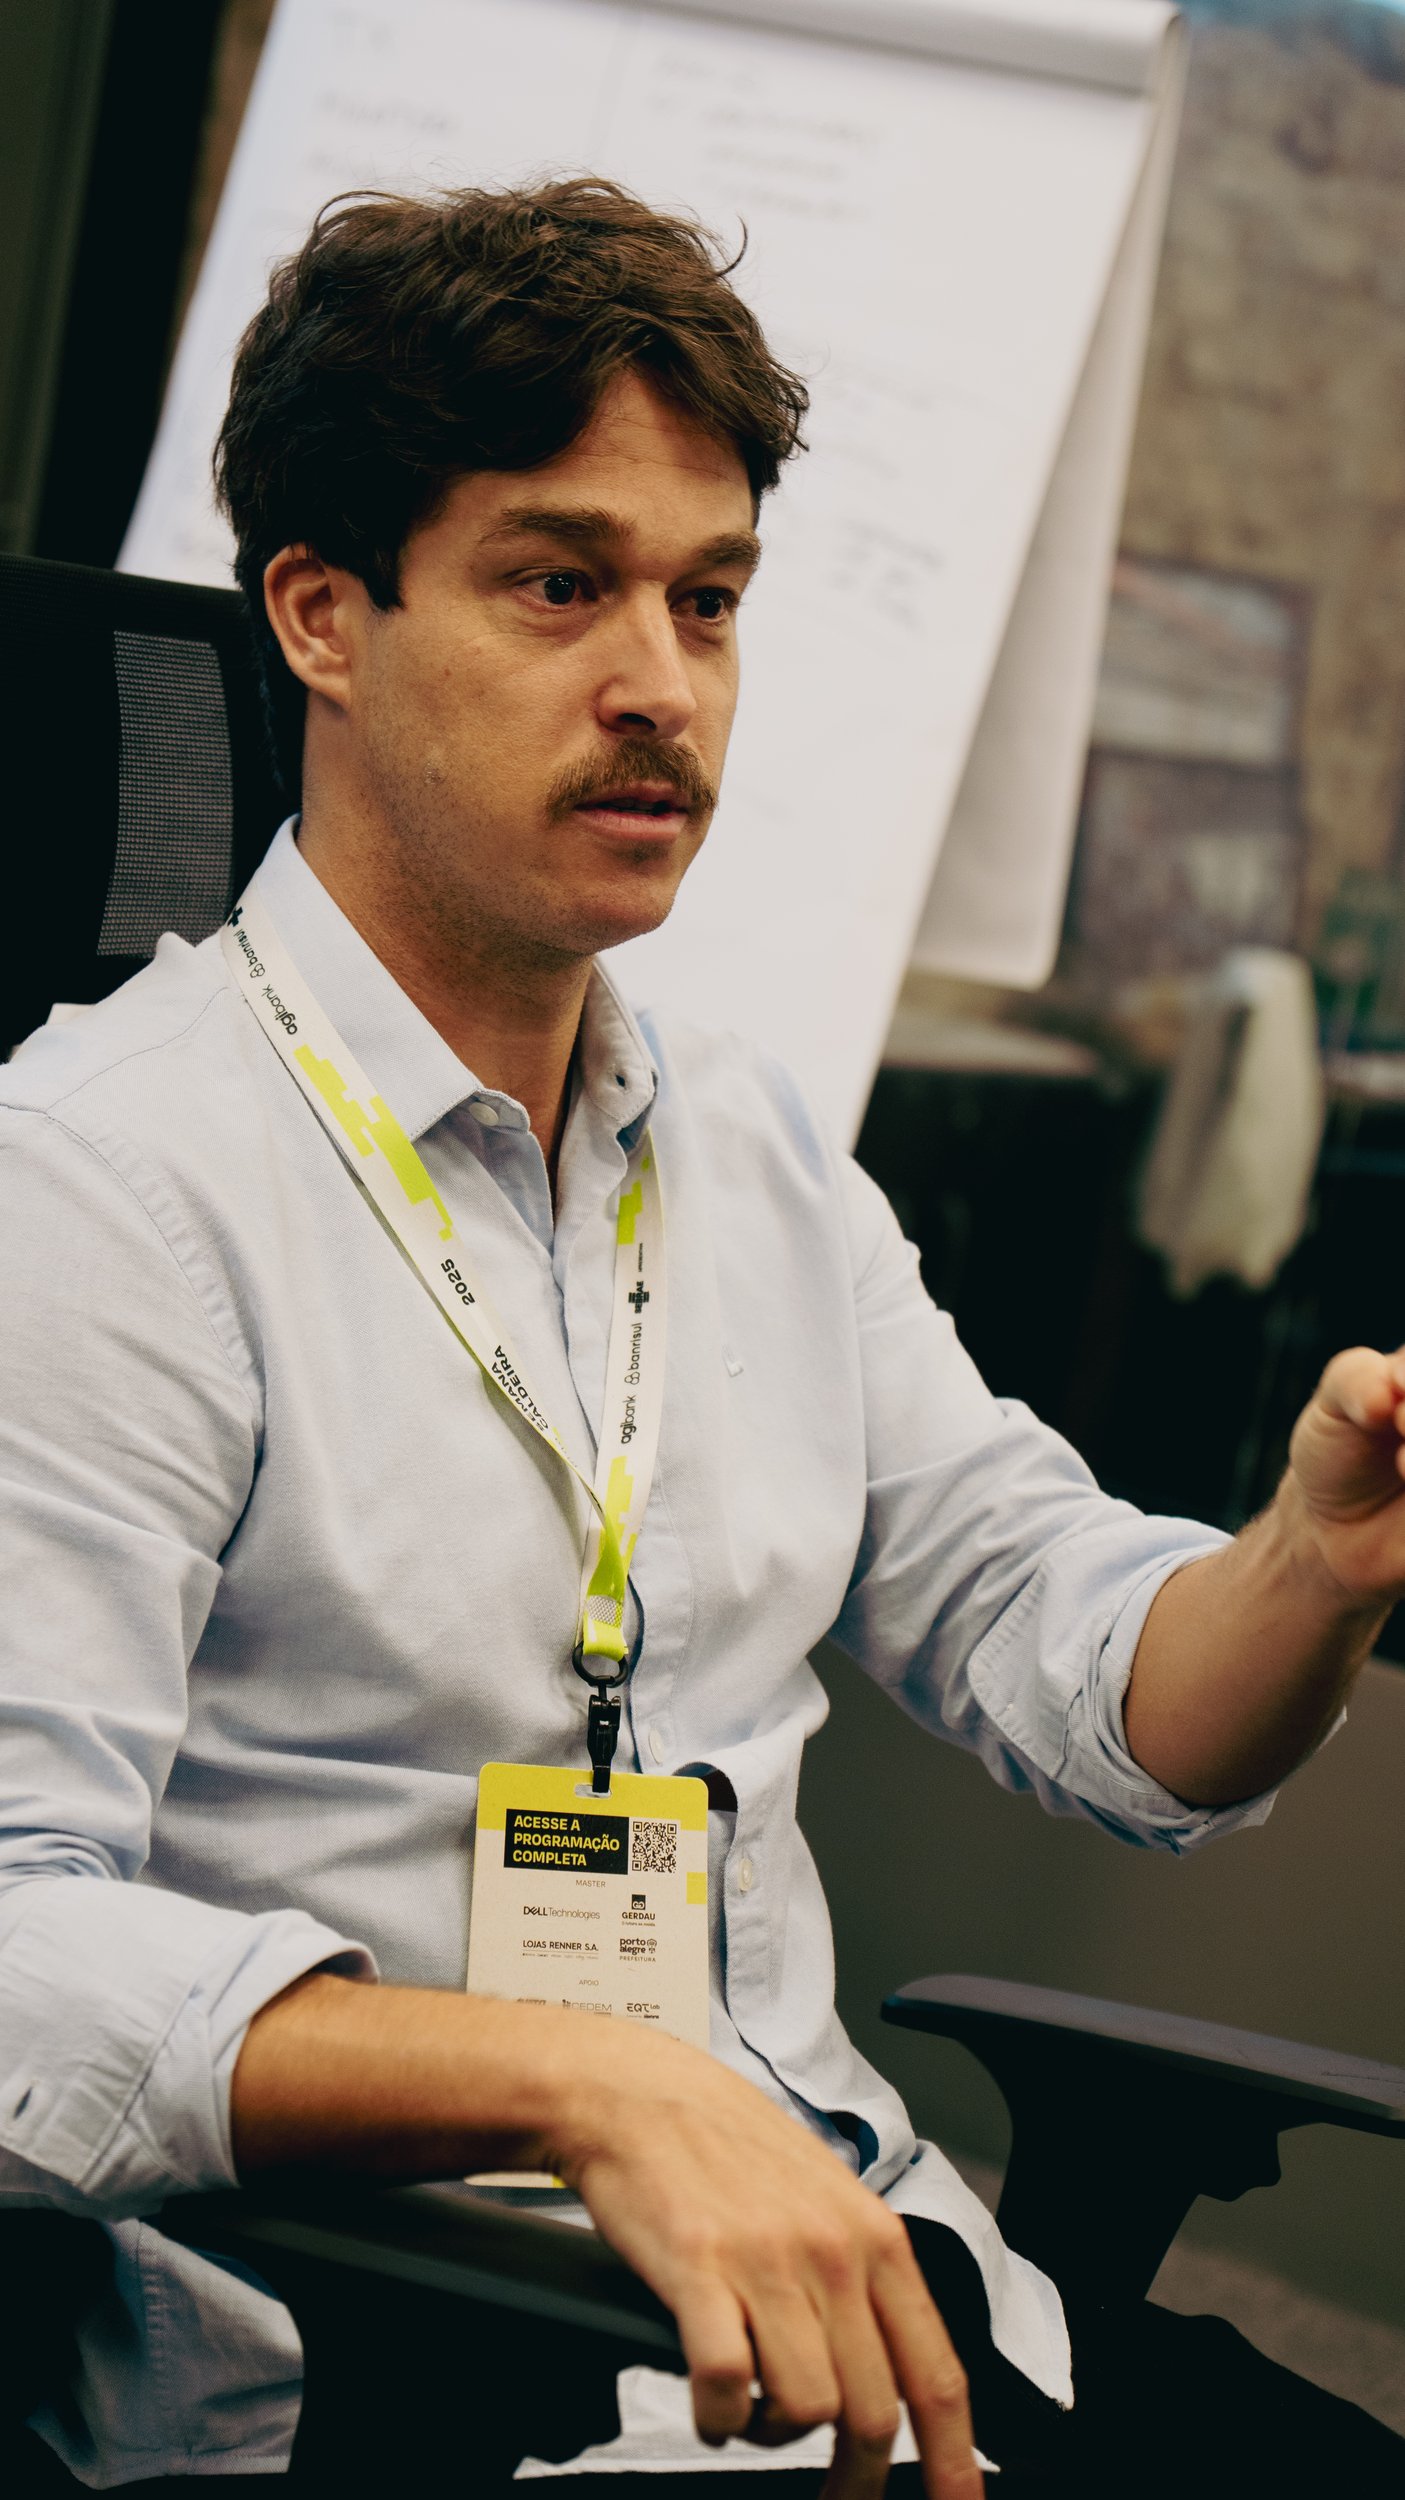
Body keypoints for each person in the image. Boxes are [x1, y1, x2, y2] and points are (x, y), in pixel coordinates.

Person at [1, 179, 1401, 2499]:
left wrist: (1320, 1559)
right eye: (560, 584)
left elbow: (1083, 1669)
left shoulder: (739, 1147)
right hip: (437, 2378)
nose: (662, 679)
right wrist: (574, 2074)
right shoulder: (100, 1184)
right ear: (323, 615)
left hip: (882, 2303)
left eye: (710, 597)